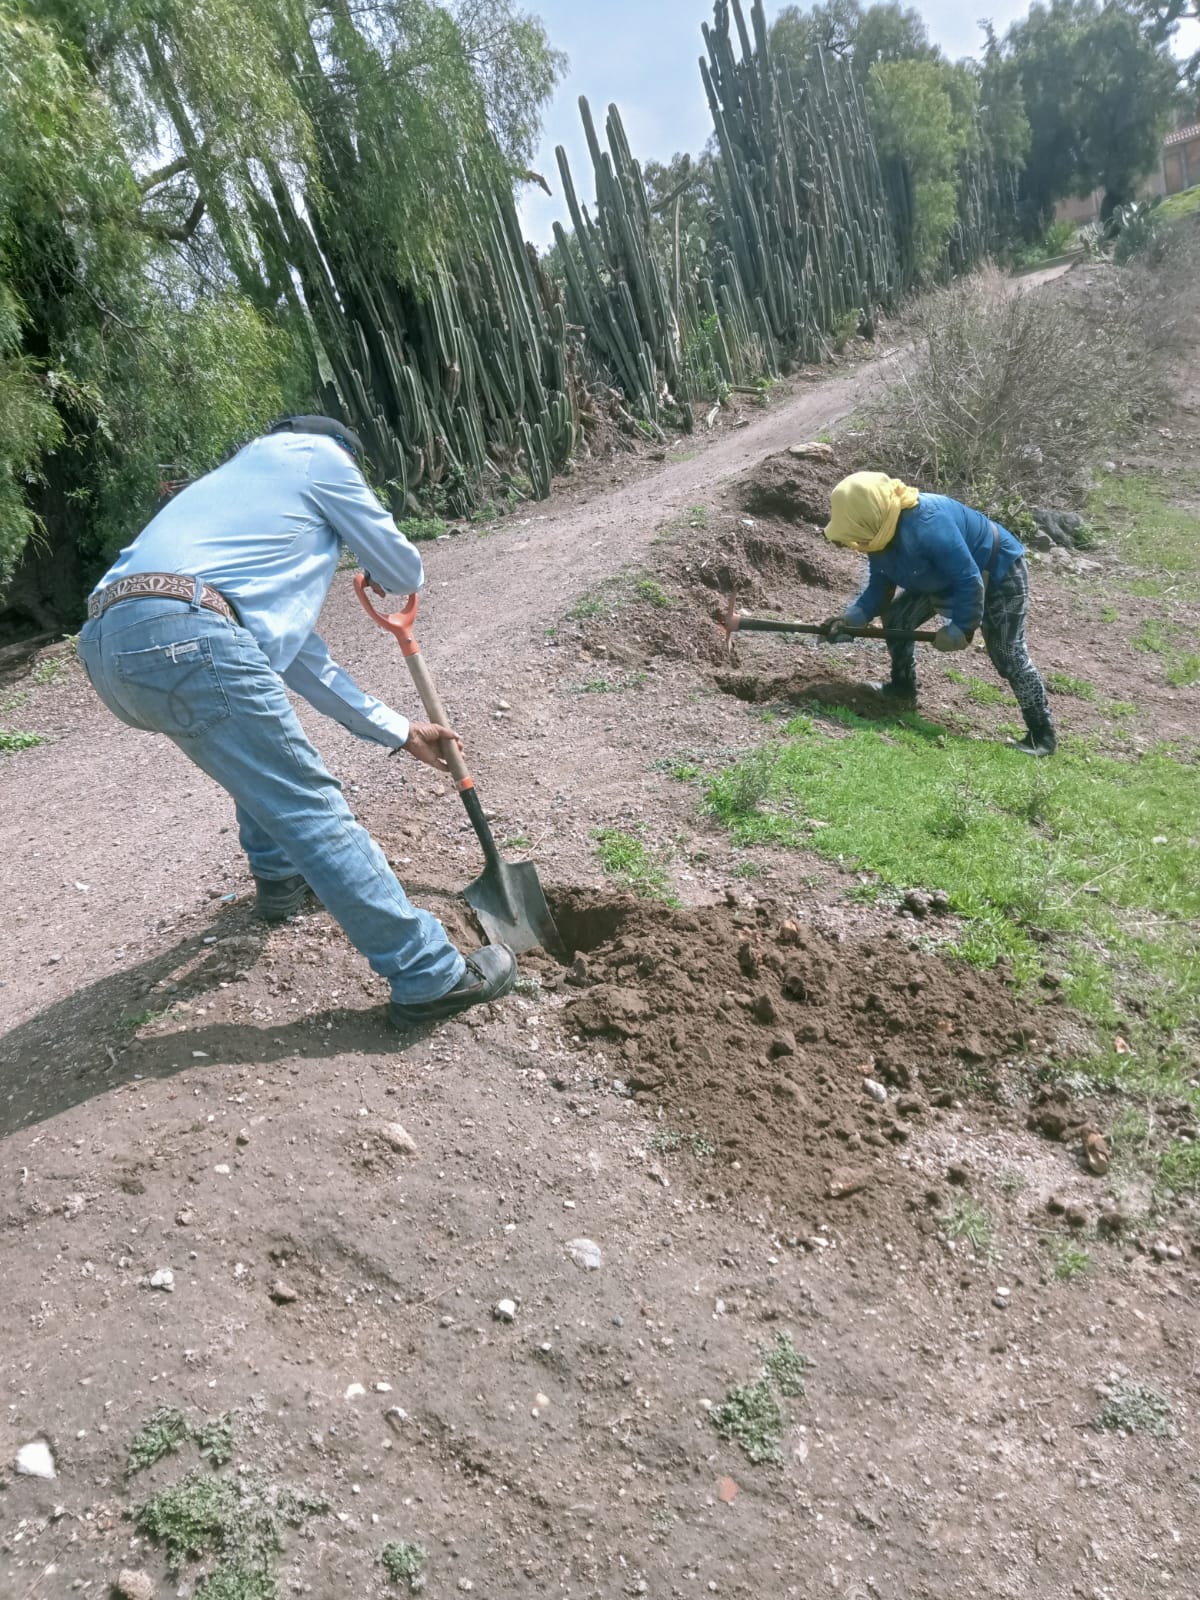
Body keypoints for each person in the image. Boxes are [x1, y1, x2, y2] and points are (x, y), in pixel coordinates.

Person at [77, 414, 517, 1025]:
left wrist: (399, 730)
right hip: (188, 629)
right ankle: (428, 974)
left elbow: (307, 664)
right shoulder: (316, 455)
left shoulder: (239, 510)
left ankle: (280, 879)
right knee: (310, 802)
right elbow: (403, 572)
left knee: (255, 750)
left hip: (108, 645)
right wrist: (374, 560)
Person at [820, 471, 1056, 756]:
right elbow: (880, 587)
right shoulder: (877, 531)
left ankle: (1041, 736)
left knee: (1008, 654)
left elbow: (970, 579)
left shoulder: (929, 523)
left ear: (868, 512)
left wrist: (961, 629)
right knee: (897, 617)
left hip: (995, 570)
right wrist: (852, 619)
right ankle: (902, 689)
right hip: (940, 576)